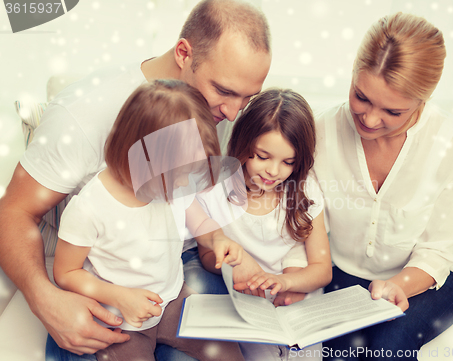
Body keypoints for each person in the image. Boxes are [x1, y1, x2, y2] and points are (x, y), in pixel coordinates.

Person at [0, 0, 271, 359]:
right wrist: (45, 299)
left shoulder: (212, 113)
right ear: (183, 53)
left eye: (247, 98)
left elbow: (192, 205)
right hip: (107, 286)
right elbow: (13, 212)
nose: (234, 112)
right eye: (224, 91)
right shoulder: (83, 116)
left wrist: (217, 243)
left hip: (173, 278)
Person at [313, 12, 453, 360]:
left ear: (423, 101)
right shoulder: (321, 131)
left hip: (432, 279)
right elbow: (304, 222)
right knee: (342, 354)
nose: (370, 119)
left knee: (390, 346)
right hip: (346, 274)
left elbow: (440, 249)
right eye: (361, 97)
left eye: (392, 111)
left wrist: (399, 286)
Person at [53, 79, 246, 361]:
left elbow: (200, 222)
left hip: (173, 300)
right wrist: (119, 297)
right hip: (122, 320)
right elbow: (66, 273)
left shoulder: (173, 186)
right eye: (180, 173)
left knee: (228, 352)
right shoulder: (89, 208)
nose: (186, 183)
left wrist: (218, 239)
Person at [197, 88, 333, 361]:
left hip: (298, 295)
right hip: (251, 304)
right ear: (243, 144)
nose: (273, 171)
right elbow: (206, 254)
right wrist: (235, 264)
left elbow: (322, 270)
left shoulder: (304, 189)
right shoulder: (217, 189)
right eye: (262, 156)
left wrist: (284, 282)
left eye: (288, 162)